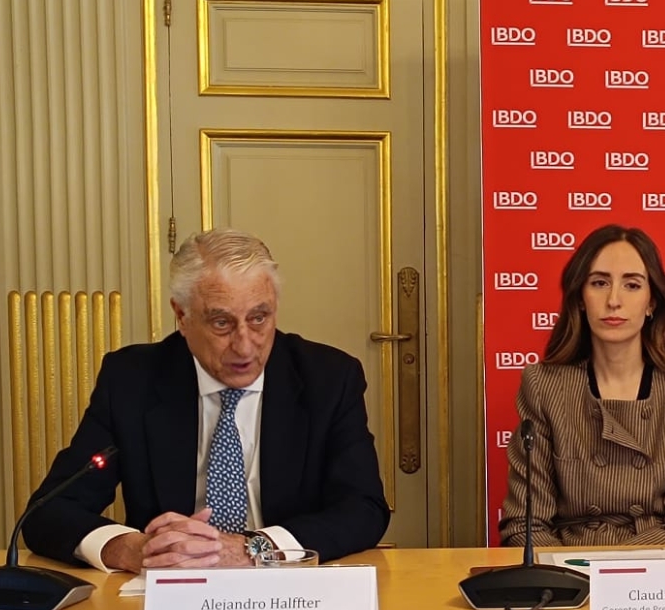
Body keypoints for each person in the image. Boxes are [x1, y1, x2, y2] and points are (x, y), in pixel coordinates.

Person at [22, 229, 390, 570]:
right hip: (172, 591)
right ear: (181, 316)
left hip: (287, 591)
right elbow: (49, 511)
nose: (245, 346)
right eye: (221, 323)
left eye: (259, 318)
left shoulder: (328, 379)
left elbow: (364, 508)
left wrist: (255, 549)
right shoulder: (131, 381)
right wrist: (133, 549)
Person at [500, 224, 665, 547]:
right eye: (600, 283)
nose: (614, 300)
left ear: (651, 302)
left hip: (656, 566)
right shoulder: (543, 385)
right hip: (567, 566)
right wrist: (572, 571)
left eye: (632, 285)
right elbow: (524, 526)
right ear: (580, 298)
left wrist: (614, 570)